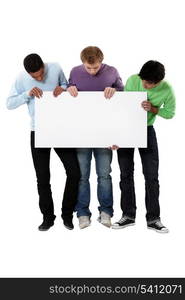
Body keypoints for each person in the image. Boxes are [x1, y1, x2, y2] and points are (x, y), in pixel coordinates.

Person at [7, 53, 80, 231]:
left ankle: (67, 215)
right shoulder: (21, 78)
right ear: (28, 73)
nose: (39, 78)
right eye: (35, 77)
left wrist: (62, 88)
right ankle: (48, 217)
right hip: (38, 131)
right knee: (43, 178)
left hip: (60, 130)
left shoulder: (55, 67)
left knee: (74, 173)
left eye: (41, 74)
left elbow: (66, 85)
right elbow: (9, 103)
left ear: (44, 66)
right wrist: (27, 94)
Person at [112, 60, 175, 233]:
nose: (145, 85)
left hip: (147, 130)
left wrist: (154, 109)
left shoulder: (167, 89)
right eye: (144, 81)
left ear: (159, 82)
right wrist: (115, 135)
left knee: (151, 176)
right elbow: (120, 108)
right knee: (125, 173)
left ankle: (153, 218)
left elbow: (170, 113)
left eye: (149, 83)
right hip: (126, 128)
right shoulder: (133, 80)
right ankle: (128, 215)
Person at [67, 46, 124, 229]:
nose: (92, 71)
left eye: (95, 67)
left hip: (105, 133)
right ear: (82, 62)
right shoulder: (75, 72)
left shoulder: (112, 71)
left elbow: (124, 97)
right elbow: (68, 89)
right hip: (81, 132)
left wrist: (115, 90)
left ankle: (106, 212)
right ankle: (83, 213)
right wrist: (70, 89)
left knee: (104, 175)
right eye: (88, 68)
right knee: (82, 176)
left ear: (101, 61)